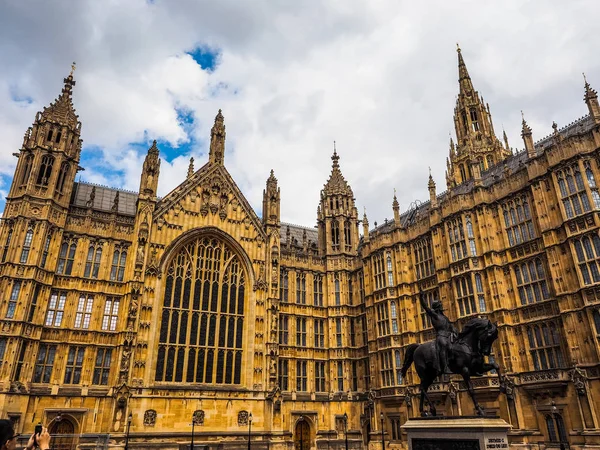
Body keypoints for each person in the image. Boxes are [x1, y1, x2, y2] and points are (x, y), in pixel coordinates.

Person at [419, 295, 456, 374]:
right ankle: (445, 367)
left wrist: (454, 331)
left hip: (449, 335)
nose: (442, 306)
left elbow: (450, 326)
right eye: (440, 305)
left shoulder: (444, 317)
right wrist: (421, 298)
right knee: (443, 345)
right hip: (441, 336)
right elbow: (426, 307)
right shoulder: (435, 316)